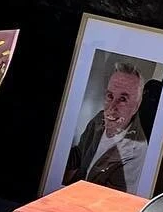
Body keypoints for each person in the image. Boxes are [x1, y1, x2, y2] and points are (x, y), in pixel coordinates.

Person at [63, 60, 150, 192]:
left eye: (122, 99)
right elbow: (79, 154)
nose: (111, 108)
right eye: (110, 96)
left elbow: (110, 200)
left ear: (136, 106)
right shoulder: (99, 119)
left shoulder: (137, 150)